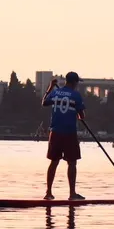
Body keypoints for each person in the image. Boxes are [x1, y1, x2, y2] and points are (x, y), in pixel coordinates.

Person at [42, 72, 86, 200]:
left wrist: (50, 88)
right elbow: (82, 116)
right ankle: (72, 194)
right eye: (77, 83)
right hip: (69, 133)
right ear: (74, 83)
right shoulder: (76, 95)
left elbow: (44, 102)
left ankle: (48, 193)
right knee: (72, 163)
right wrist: (78, 114)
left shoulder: (55, 93)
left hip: (54, 132)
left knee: (53, 162)